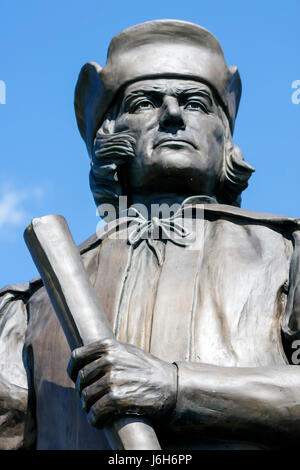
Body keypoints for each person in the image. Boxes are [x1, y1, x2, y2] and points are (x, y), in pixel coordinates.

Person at [1, 19, 300, 450]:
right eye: (144, 102)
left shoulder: (287, 253)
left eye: (196, 102)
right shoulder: (33, 308)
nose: (173, 114)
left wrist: (177, 389)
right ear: (109, 134)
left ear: (225, 137)